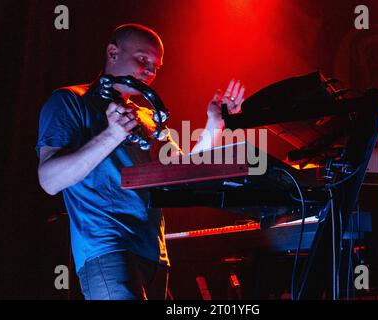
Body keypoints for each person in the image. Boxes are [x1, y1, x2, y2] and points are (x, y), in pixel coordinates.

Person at [36, 23, 245, 300]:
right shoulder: (70, 100)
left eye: (156, 66)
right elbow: (49, 180)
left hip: (154, 254)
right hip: (107, 248)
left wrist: (214, 124)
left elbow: (181, 172)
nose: (149, 71)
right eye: (143, 60)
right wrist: (111, 135)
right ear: (113, 53)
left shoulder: (148, 115)